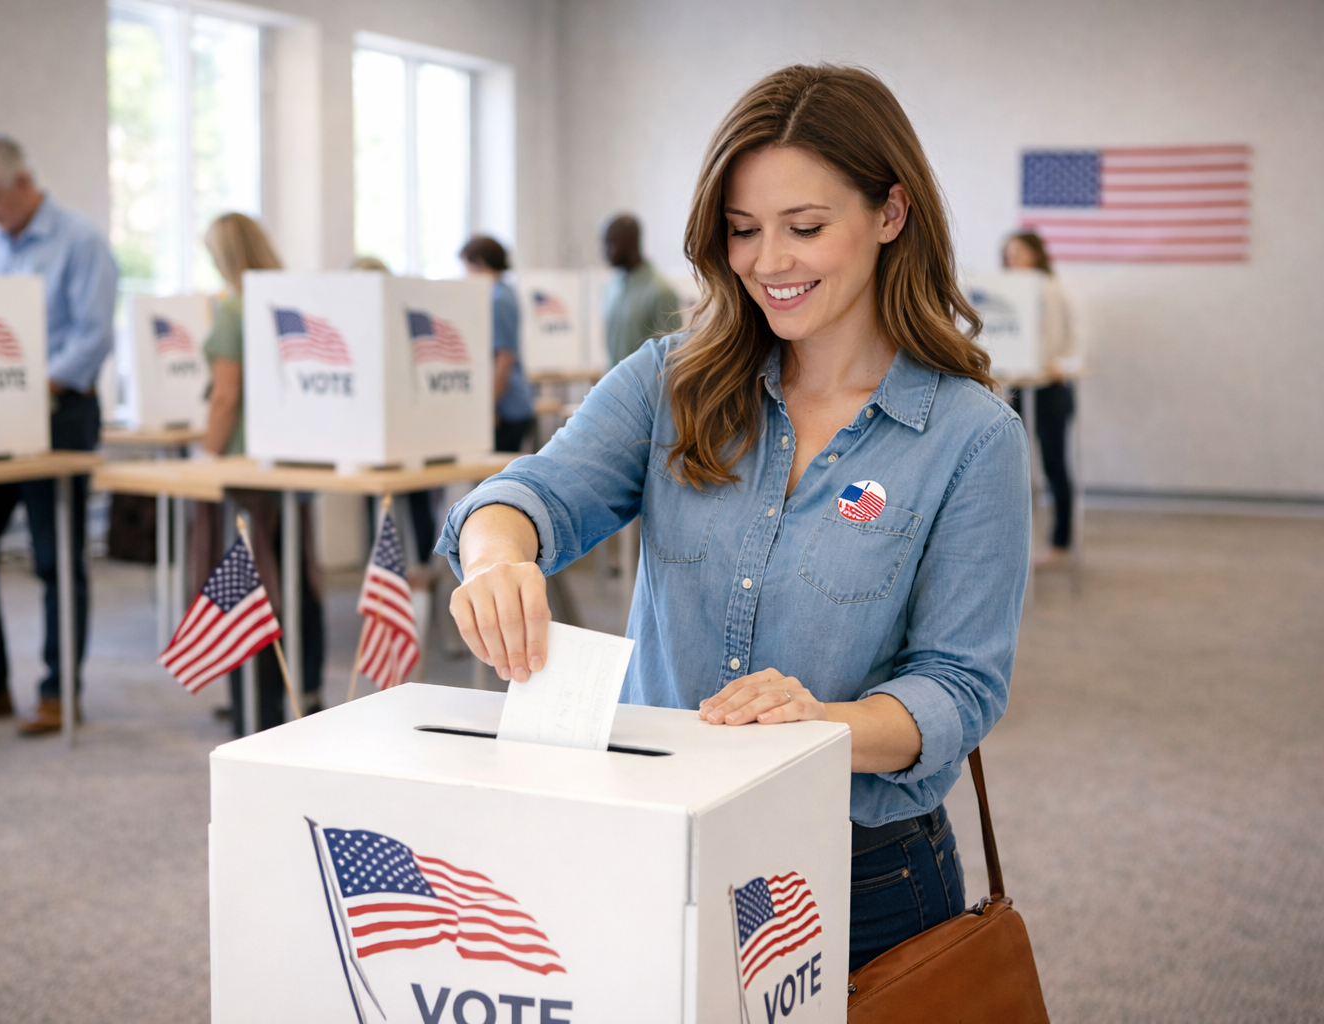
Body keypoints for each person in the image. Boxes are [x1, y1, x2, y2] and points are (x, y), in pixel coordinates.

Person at [436, 65, 1031, 971]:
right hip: (652, 841)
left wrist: (821, 724)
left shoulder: (970, 437)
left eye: (806, 227)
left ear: (891, 213)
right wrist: (495, 559)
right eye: (744, 231)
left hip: (859, 877)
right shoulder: (672, 380)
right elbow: (530, 495)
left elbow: (958, 689)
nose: (769, 262)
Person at [0, 131, 117, 735]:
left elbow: (92, 337)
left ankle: (61, 693)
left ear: (24, 184)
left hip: (61, 416)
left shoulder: (81, 242)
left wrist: (34, 385)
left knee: (55, 558)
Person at [194, 213, 326, 731]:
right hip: (290, 463)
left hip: (244, 468)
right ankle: (306, 693)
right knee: (298, 580)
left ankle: (258, 705)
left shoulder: (234, 309)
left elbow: (226, 395)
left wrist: (205, 458)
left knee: (251, 589)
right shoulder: (290, 301)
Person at [1004, 231, 1082, 566]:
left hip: (1051, 387)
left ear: (1036, 254)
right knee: (1012, 466)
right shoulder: (1004, 292)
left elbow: (1075, 342)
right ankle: (1012, 543)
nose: (1013, 260)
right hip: (1018, 387)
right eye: (1008, 254)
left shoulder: (1054, 290)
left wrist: (1061, 365)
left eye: (1019, 253)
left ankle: (1061, 544)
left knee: (1054, 464)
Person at [459, 235, 534, 454]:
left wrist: (488, 406)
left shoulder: (498, 299)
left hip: (508, 408)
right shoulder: (504, 292)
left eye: (466, 267)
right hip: (513, 404)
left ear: (480, 264)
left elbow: (504, 358)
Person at [600, 214, 683, 365]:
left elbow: (672, 357)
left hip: (645, 388)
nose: (605, 251)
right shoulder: (610, 290)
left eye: (611, 243)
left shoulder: (661, 292)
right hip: (613, 385)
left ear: (631, 241)